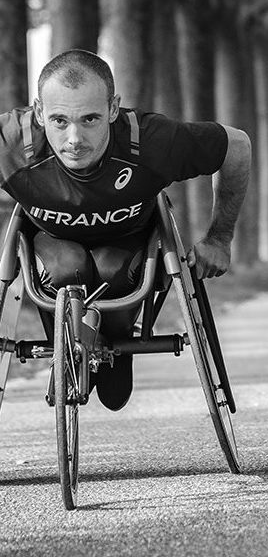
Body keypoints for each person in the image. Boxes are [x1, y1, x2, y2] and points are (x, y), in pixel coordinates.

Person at [0, 49, 251, 411]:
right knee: (67, 264)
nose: (74, 139)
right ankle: (65, 345)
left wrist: (219, 237)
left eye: (90, 119)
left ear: (113, 109)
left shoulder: (150, 141)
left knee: (107, 269)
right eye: (59, 121)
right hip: (52, 245)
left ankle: (117, 345)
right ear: (39, 113)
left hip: (128, 245)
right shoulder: (11, 141)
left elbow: (237, 146)